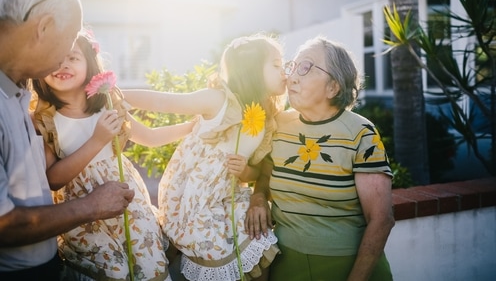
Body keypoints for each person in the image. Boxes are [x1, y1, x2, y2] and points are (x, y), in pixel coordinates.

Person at [0, 0, 134, 279]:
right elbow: (4, 225)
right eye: (70, 39)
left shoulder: (17, 91)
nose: (66, 57)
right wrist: (92, 206)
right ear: (43, 27)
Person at [31, 29, 194, 281]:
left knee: (147, 265)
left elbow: (149, 137)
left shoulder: (107, 105)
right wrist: (98, 139)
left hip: (129, 203)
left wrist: (192, 127)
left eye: (73, 58)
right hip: (85, 215)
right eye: (55, 58)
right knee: (111, 272)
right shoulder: (43, 120)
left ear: (90, 64)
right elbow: (53, 179)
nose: (63, 64)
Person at [122, 34, 287, 281]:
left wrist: (244, 171)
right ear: (252, 70)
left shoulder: (265, 115)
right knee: (224, 256)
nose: (284, 71)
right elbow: (164, 101)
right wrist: (118, 94)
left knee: (258, 243)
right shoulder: (220, 100)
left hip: (226, 196)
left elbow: (256, 172)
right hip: (196, 202)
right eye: (276, 65)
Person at [244, 36, 395, 281]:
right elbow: (265, 173)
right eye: (293, 66)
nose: (292, 76)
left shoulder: (360, 133)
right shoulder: (279, 124)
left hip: (349, 267)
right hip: (285, 264)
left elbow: (381, 219)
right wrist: (259, 197)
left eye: (305, 68)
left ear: (333, 87)